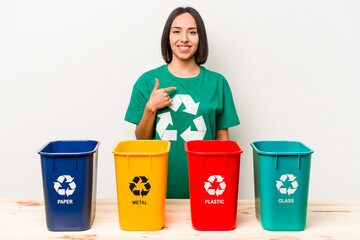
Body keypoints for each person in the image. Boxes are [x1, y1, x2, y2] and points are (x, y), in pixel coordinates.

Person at [125, 7, 240, 199]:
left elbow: (223, 143)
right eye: (176, 31)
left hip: (207, 187)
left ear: (200, 38)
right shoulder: (147, 81)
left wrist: (221, 185)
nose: (184, 38)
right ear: (167, 38)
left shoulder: (217, 83)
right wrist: (150, 108)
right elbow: (142, 141)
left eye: (192, 32)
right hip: (158, 186)